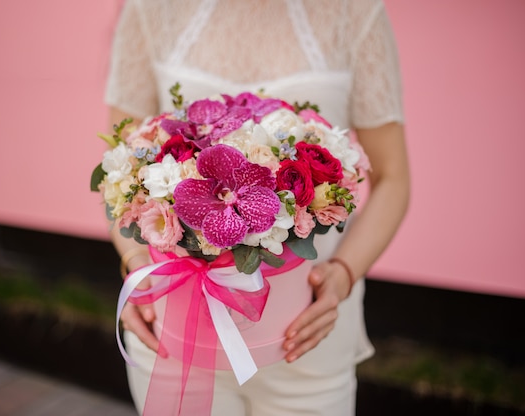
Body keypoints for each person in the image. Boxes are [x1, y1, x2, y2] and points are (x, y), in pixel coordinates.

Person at [104, 0, 410, 414]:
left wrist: (341, 274)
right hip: (177, 331)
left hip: (307, 335)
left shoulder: (355, 12)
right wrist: (136, 266)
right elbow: (119, 173)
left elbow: (393, 178)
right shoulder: (152, 8)